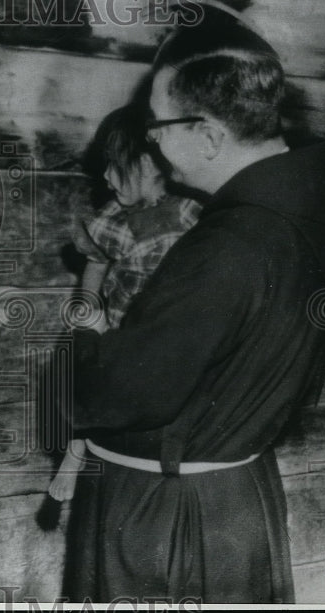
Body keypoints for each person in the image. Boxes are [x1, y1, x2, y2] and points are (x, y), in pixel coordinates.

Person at [67, 9, 325, 603]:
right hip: (236, 493)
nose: (153, 140)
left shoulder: (228, 245)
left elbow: (117, 394)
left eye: (158, 125)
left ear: (211, 135)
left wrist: (88, 340)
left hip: (166, 515)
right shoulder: (303, 216)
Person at [49, 101, 199, 502]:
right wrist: (88, 313)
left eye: (115, 165)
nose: (105, 175)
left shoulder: (191, 211)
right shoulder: (112, 220)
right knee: (91, 378)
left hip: (169, 325)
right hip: (120, 325)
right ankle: (76, 450)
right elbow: (96, 263)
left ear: (151, 164)